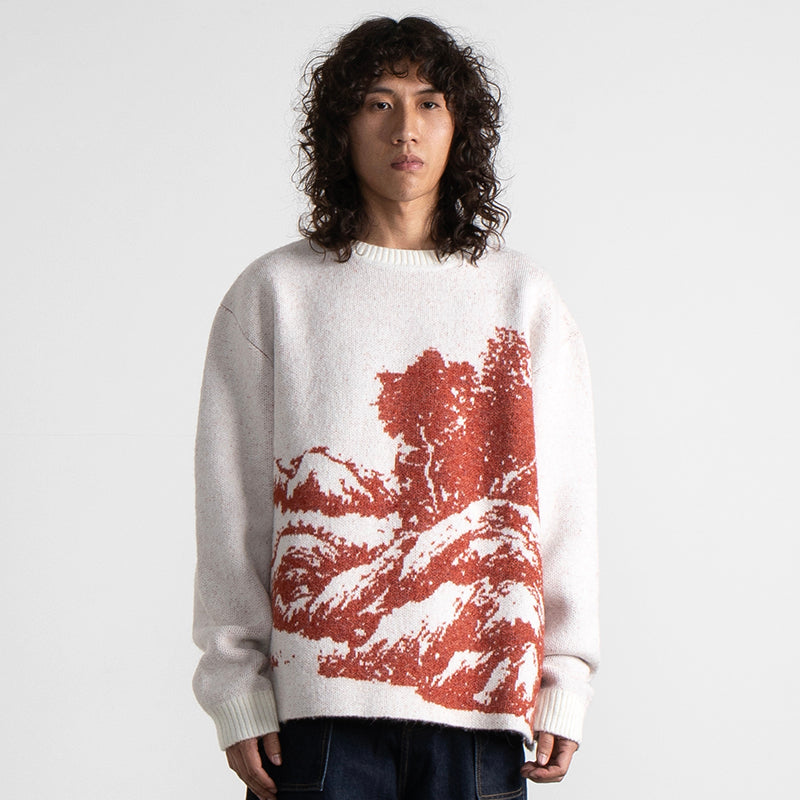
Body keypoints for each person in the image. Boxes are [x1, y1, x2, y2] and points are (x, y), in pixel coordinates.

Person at [192, 16, 599, 800]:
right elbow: (231, 500)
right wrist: (236, 686)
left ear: (460, 127)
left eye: (429, 103)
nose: (405, 128)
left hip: (485, 724)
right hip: (315, 725)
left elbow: (564, 502)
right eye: (378, 103)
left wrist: (565, 679)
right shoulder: (275, 294)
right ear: (340, 129)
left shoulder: (523, 298)